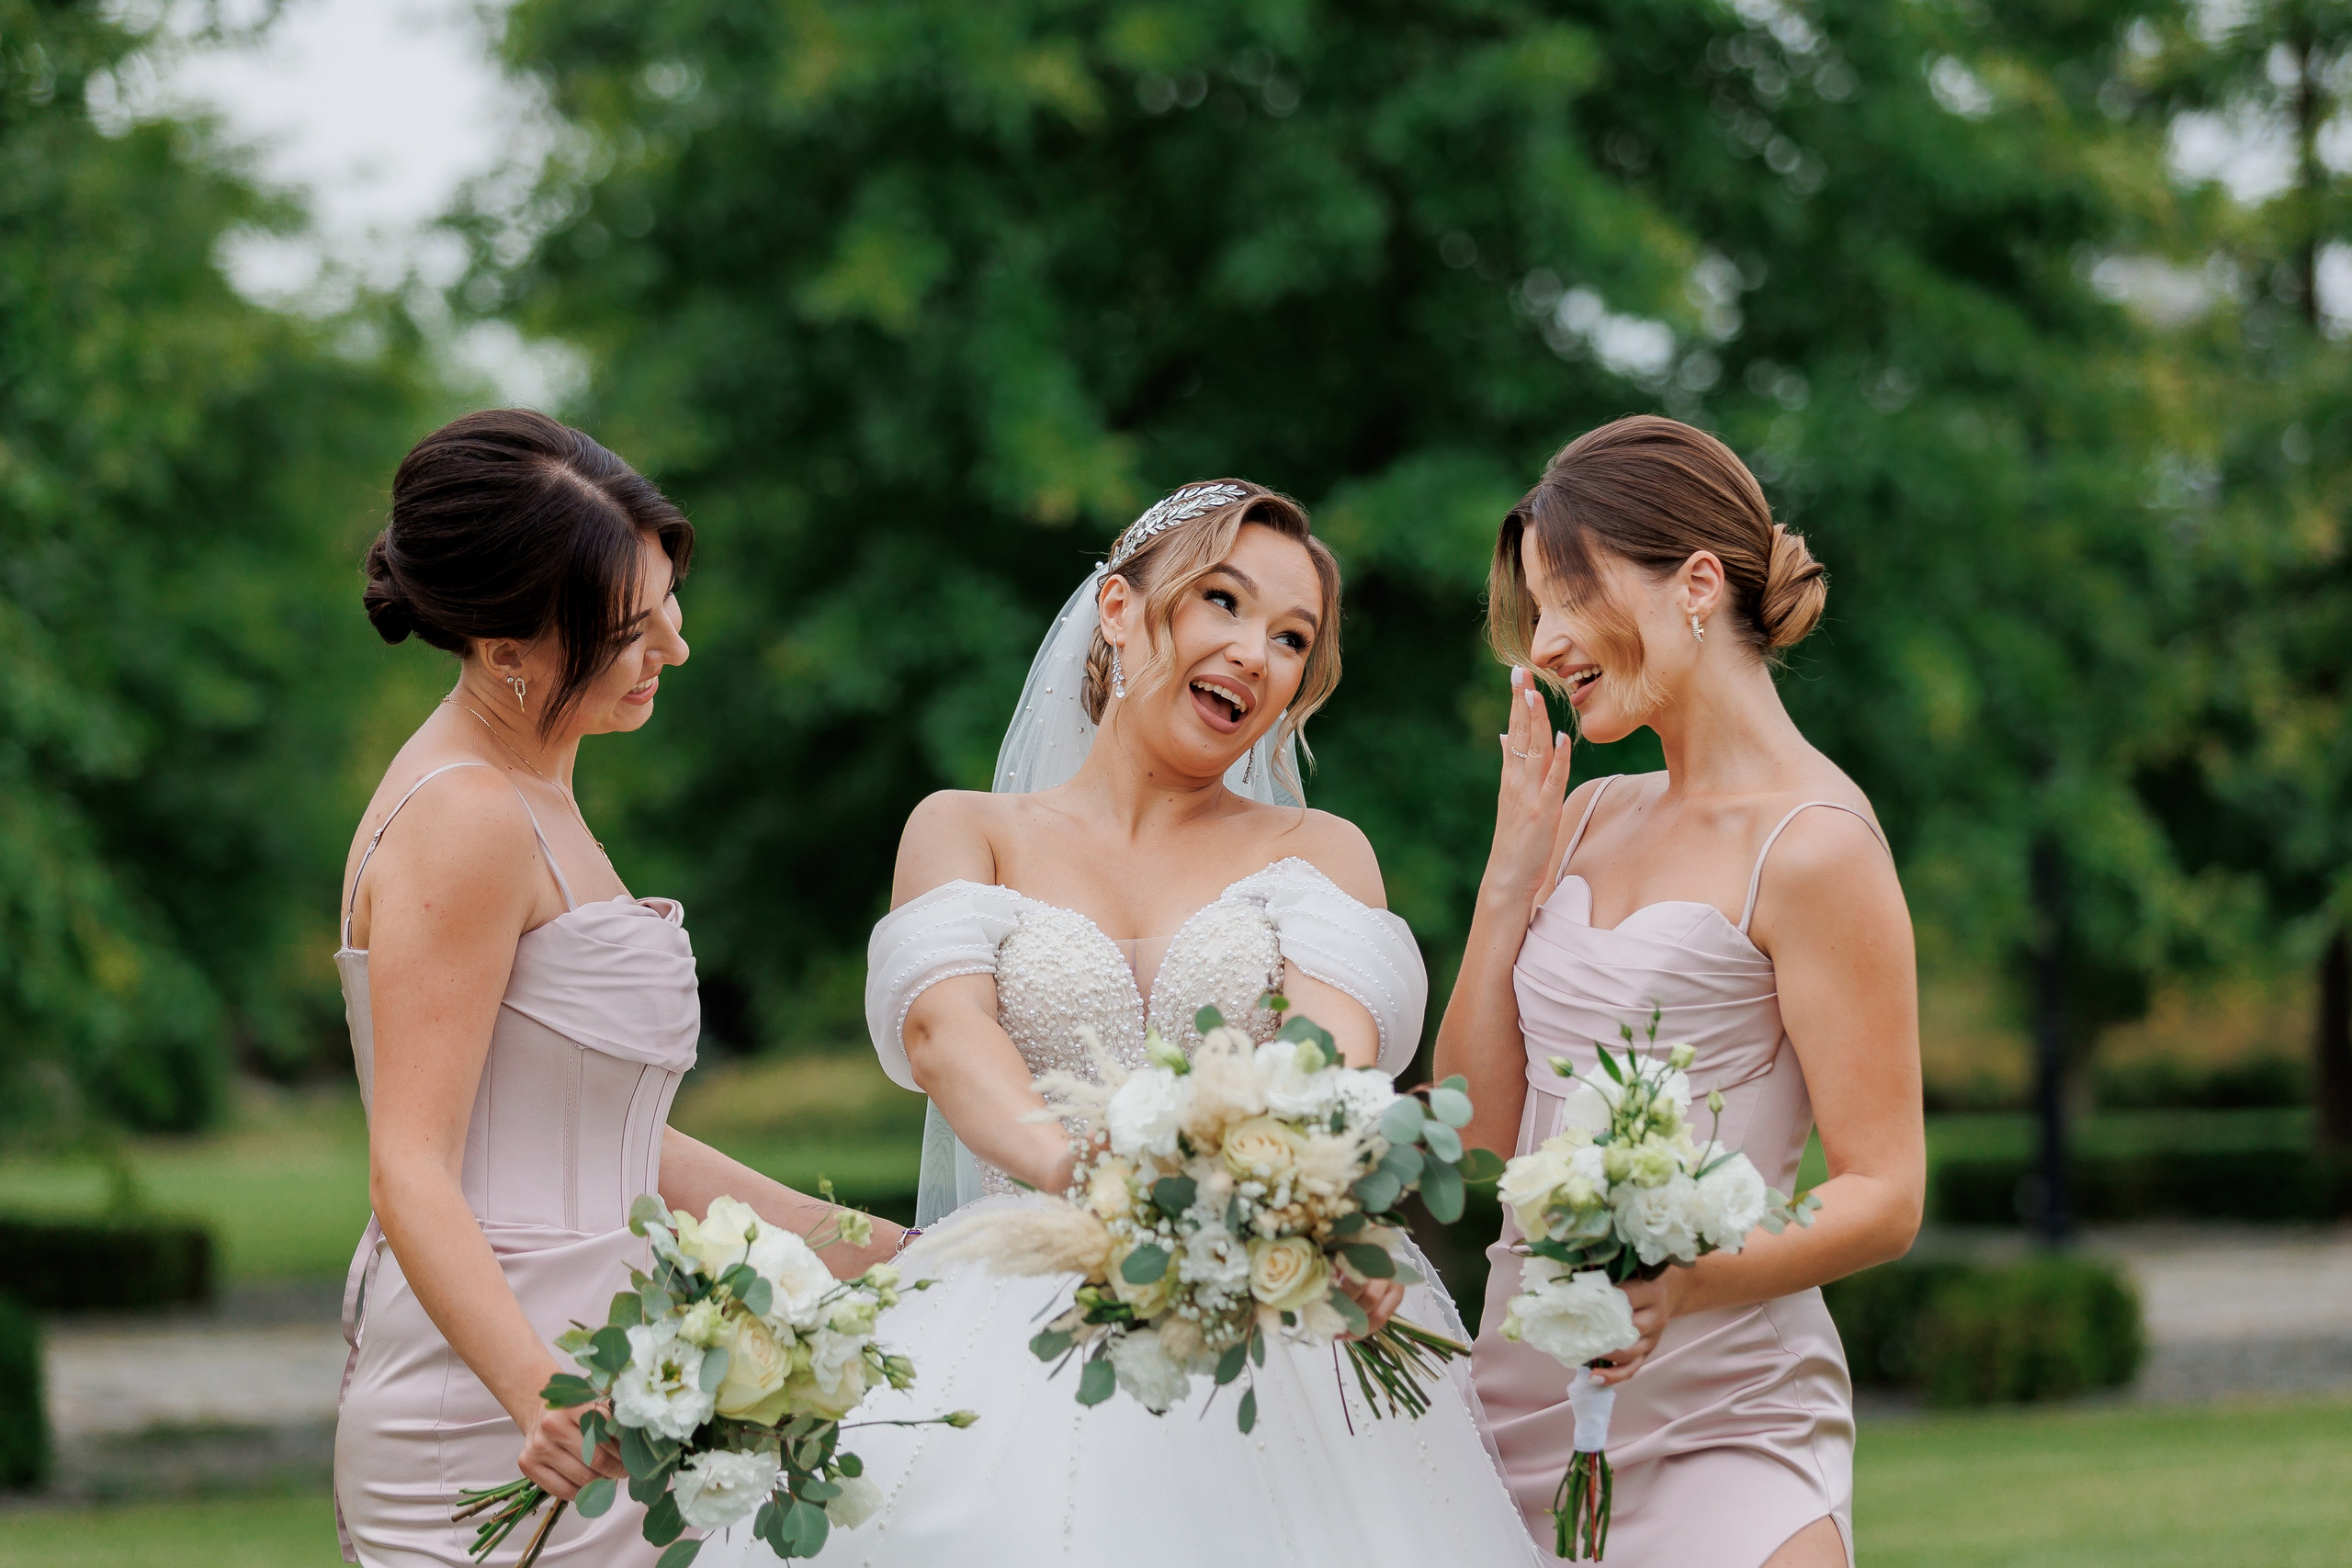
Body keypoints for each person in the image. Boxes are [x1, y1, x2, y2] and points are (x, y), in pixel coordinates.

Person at [748, 481, 1538, 1565]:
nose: (1255, 653)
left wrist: (1239, 1188)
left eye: (1291, 637)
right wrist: (1074, 1171)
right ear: (1118, 611)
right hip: (1017, 1298)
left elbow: (1329, 1053)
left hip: (1271, 1312)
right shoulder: (965, 830)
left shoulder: (1320, 849)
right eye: (1223, 601)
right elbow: (945, 1035)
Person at [335, 410, 899, 1565]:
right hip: (508, 1392)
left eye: (667, 607)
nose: (675, 649)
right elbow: (411, 1166)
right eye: (630, 629)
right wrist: (533, 1387)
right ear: (509, 648)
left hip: (616, 1360)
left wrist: (861, 1243)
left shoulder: (535, 792)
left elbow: (609, 1131)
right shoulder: (467, 816)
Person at [1436, 416, 1925, 1568]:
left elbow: (1885, 1191)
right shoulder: (1589, 814)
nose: (1545, 641)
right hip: (1509, 1408)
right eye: (1534, 611)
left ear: (1697, 583)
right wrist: (1505, 887)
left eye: (1568, 596)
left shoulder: (1816, 847)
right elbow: (1472, 1138)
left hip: (1724, 1424)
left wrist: (1686, 1279)